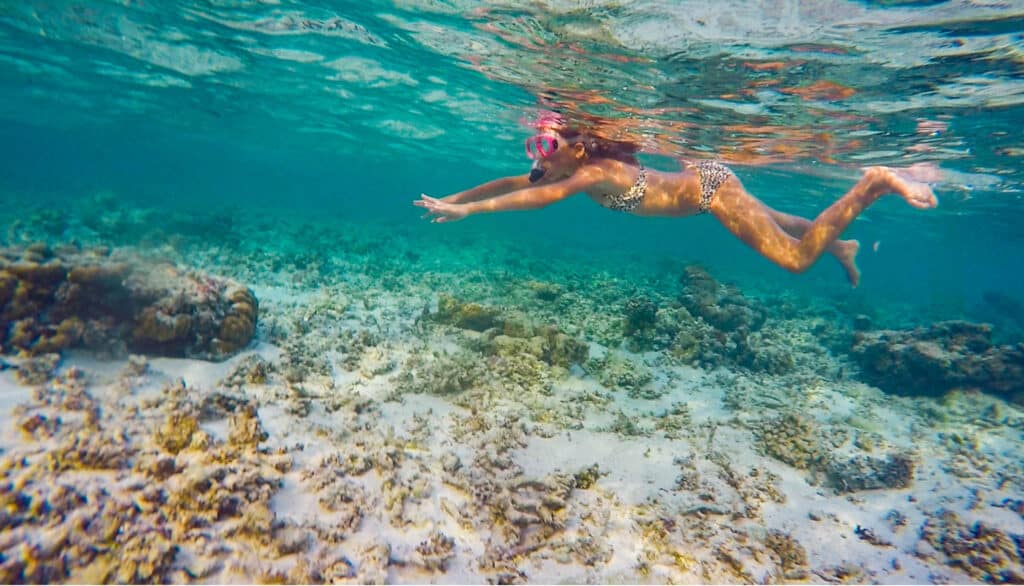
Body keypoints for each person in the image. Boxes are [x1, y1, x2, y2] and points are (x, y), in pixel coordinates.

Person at [413, 125, 938, 287]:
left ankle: (872, 185)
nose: (537, 160)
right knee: (784, 223)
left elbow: (537, 198)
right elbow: (508, 183)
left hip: (710, 192)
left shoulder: (590, 174)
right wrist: (454, 199)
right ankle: (843, 248)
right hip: (705, 181)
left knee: (795, 257)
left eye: (546, 150)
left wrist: (469, 216)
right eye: (535, 149)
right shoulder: (574, 167)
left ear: (575, 150)